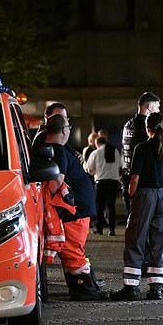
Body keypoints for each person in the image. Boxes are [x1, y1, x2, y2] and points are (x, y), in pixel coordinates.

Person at [110, 112, 163, 301]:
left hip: (144, 195)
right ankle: (156, 288)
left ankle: (131, 287)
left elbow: (134, 177)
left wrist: (132, 195)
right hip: (162, 198)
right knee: (159, 241)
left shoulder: (141, 149)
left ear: (147, 129)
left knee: (136, 238)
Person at [43, 114, 107, 300]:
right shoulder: (59, 150)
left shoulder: (52, 149)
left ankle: (83, 287)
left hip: (74, 210)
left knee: (75, 249)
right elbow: (57, 181)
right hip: (72, 211)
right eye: (69, 128)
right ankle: (84, 291)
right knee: (73, 250)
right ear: (64, 130)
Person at [121, 92, 161, 217]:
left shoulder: (128, 125)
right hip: (140, 180)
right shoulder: (145, 127)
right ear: (149, 107)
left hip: (127, 175)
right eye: (157, 107)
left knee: (132, 220)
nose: (159, 110)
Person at [86, 136, 122, 236]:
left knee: (99, 207)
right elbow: (120, 165)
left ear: (97, 144)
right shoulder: (115, 151)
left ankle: (99, 228)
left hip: (101, 183)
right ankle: (111, 229)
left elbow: (89, 169)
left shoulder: (96, 153)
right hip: (114, 183)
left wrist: (96, 172)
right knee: (111, 207)